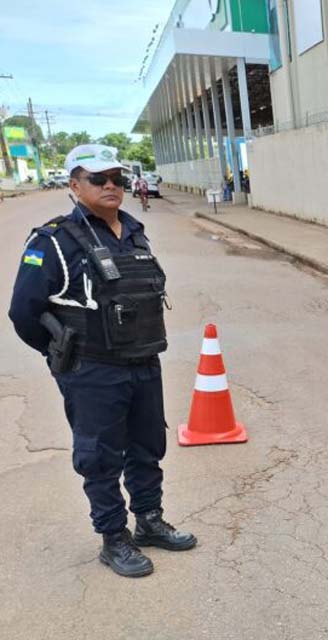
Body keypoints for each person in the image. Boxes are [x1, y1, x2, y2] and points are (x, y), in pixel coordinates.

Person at [8, 144, 196, 578]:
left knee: (148, 446)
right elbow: (24, 311)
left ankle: (149, 520)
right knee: (101, 457)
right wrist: (66, 356)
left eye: (118, 178)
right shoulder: (53, 241)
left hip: (144, 361)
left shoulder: (134, 232)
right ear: (75, 185)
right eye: (98, 179)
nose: (111, 185)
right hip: (92, 369)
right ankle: (114, 539)